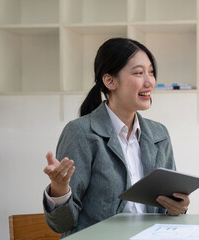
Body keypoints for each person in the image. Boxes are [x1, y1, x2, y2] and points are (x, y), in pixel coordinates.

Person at [42, 38, 189, 237]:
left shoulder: (158, 134)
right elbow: (62, 225)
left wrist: (178, 207)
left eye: (151, 72)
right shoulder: (81, 133)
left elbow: (169, 208)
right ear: (110, 81)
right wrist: (59, 189)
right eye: (139, 73)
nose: (149, 81)